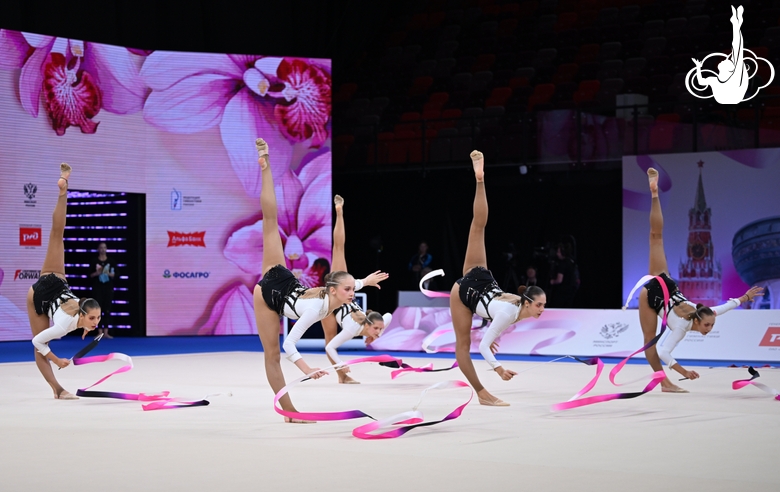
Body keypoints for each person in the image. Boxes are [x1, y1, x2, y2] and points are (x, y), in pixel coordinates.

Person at [252, 139, 364, 423]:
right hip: (268, 292)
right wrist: (306, 369)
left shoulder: (335, 297)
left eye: (353, 289)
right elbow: (291, 345)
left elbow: (353, 288)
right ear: (335, 290)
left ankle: (265, 167)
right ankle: (289, 411)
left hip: (282, 276)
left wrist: (368, 281)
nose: (353, 293)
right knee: (274, 354)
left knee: (270, 222)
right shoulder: (317, 309)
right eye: (349, 289)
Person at [638, 167, 763, 393]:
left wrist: (744, 298)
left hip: (667, 283)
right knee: (650, 341)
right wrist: (684, 372)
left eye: (710, 325)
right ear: (696, 321)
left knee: (656, 236)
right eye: (707, 325)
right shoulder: (683, 327)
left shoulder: (704, 312)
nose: (709, 328)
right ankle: (665, 384)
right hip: (652, 294)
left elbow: (722, 308)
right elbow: (665, 352)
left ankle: (655, 193)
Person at [449, 150, 547, 407]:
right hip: (464, 291)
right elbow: (484, 346)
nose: (542, 309)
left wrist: (495, 335)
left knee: (478, 226)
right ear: (527, 303)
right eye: (539, 305)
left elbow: (495, 316)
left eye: (543, 305)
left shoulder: (515, 304)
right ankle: (482, 393)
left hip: (480, 274)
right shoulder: (509, 312)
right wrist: (499, 369)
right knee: (464, 346)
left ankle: (480, 180)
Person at [26, 163, 101, 400]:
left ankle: (62, 192)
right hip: (43, 291)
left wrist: (84, 324)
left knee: (57, 234)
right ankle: (58, 390)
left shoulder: (80, 309)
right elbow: (38, 341)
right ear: (81, 313)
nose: (96, 322)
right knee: (40, 345)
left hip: (54, 280)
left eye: (98, 318)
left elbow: (81, 316)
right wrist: (56, 359)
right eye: (93, 318)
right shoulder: (62, 326)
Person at [322, 195, 390, 383]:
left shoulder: (365, 327)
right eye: (376, 329)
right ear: (369, 325)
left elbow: (386, 319)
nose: (378, 331)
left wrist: (374, 336)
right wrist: (374, 337)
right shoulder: (355, 327)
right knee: (339, 249)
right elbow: (388, 317)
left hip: (340, 302)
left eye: (378, 329)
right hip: (331, 300)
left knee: (339, 249)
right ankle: (340, 213)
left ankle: (341, 376)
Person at [691, 6, 748, 104]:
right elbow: (701, 82)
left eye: (727, 61)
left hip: (734, 98)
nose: (725, 59)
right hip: (722, 101)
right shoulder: (714, 80)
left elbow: (737, 47)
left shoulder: (735, 76)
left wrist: (736, 26)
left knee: (737, 50)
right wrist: (698, 67)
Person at [89, 242, 115, 338]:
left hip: (108, 288)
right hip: (97, 288)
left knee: (107, 309)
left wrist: (107, 273)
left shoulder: (111, 262)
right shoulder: (94, 261)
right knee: (97, 310)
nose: (103, 249)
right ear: (98, 249)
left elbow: (116, 275)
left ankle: (106, 332)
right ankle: (99, 332)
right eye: (101, 248)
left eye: (104, 247)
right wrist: (97, 273)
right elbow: (90, 275)